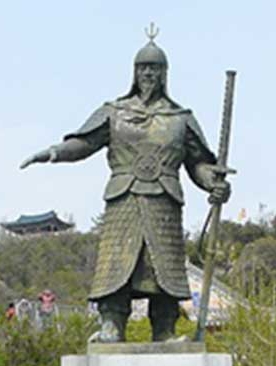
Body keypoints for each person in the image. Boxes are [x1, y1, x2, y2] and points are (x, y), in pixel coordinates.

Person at [20, 31, 230, 342]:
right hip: (124, 199)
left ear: (165, 74)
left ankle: (164, 330)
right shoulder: (115, 111)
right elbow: (84, 143)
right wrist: (52, 153)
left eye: (155, 68)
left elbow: (198, 163)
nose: (149, 74)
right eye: (143, 68)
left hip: (164, 201)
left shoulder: (180, 118)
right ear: (134, 72)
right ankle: (111, 326)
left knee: (164, 269)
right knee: (116, 267)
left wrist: (213, 181)